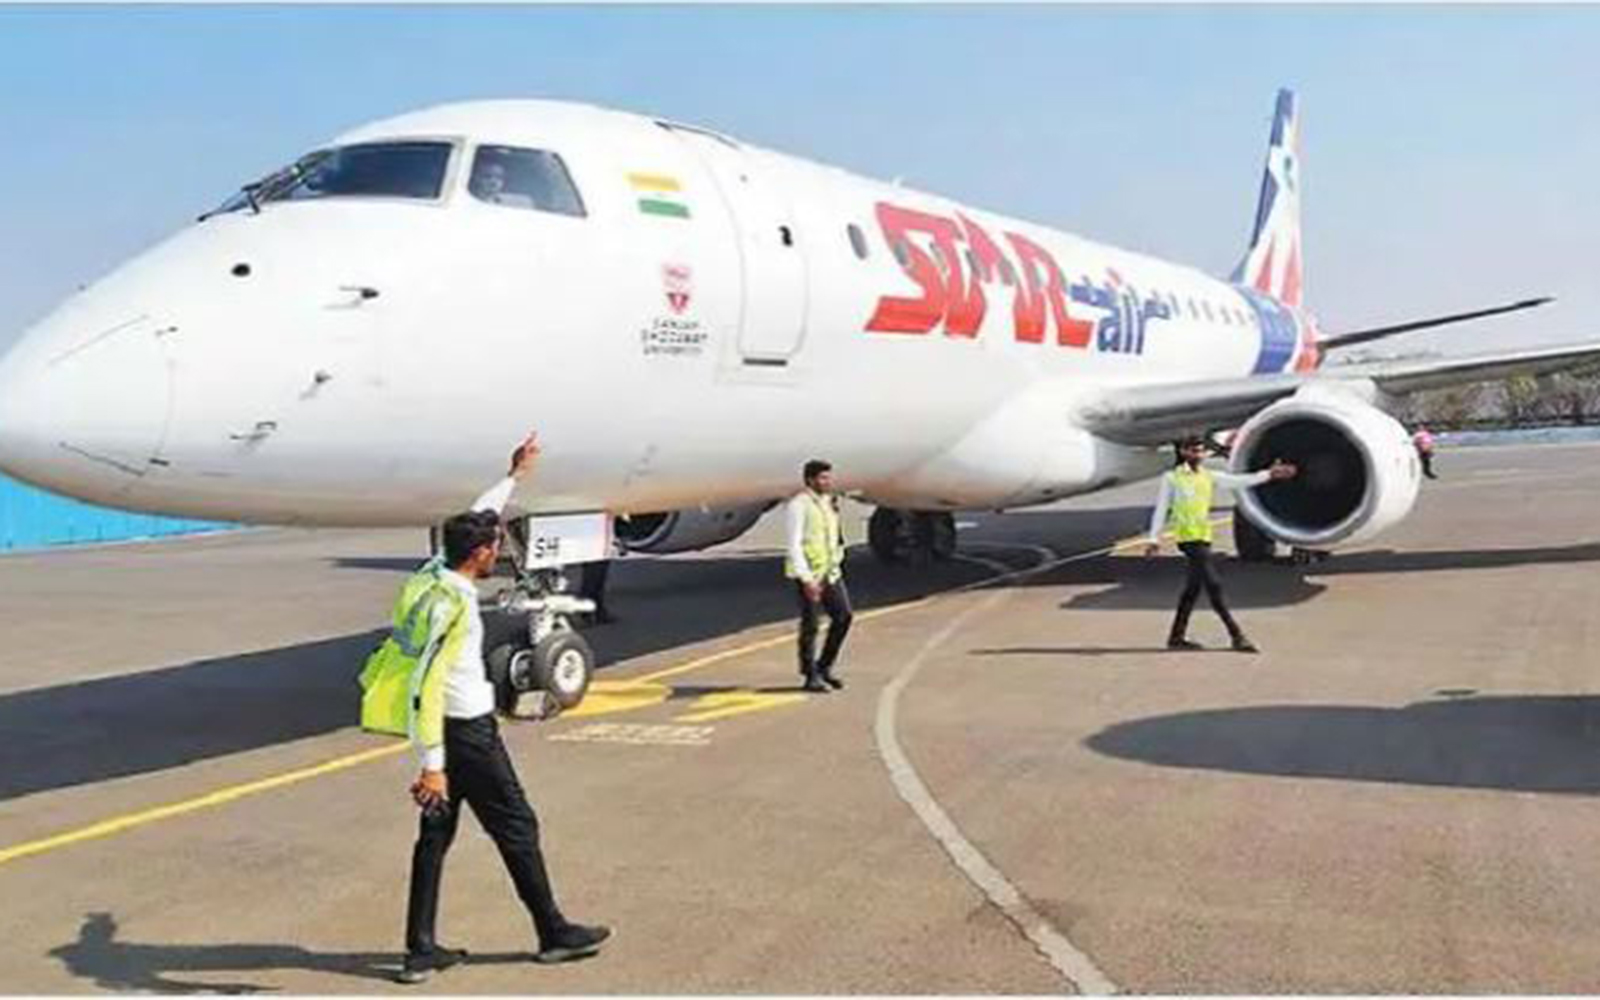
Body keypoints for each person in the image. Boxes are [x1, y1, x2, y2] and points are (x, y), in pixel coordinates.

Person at [359, 433, 610, 984]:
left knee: (434, 838)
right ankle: (553, 932)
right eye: (493, 546)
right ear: (479, 555)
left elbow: (480, 515)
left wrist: (513, 477)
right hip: (466, 734)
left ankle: (420, 949)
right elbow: (427, 684)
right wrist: (433, 765)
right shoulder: (453, 607)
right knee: (517, 824)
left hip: (452, 733)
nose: (497, 551)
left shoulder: (431, 576)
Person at [1143, 437, 1297, 653]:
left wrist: (1269, 474)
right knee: (1214, 585)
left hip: (1204, 537)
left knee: (1192, 590)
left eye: (1201, 451)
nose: (1198, 455)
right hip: (1188, 540)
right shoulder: (1172, 478)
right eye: (1193, 451)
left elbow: (1238, 481)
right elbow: (1161, 509)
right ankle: (1237, 636)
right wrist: (1153, 539)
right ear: (1184, 452)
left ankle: (1176, 637)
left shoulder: (1208, 476)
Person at [785, 459, 852, 693]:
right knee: (811, 625)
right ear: (810, 480)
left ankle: (824, 666)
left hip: (830, 571)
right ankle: (810, 674)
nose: (828, 482)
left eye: (828, 477)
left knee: (843, 616)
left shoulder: (828, 502)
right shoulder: (798, 505)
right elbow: (794, 544)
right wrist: (806, 579)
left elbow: (833, 534)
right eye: (823, 478)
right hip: (809, 574)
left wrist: (838, 558)